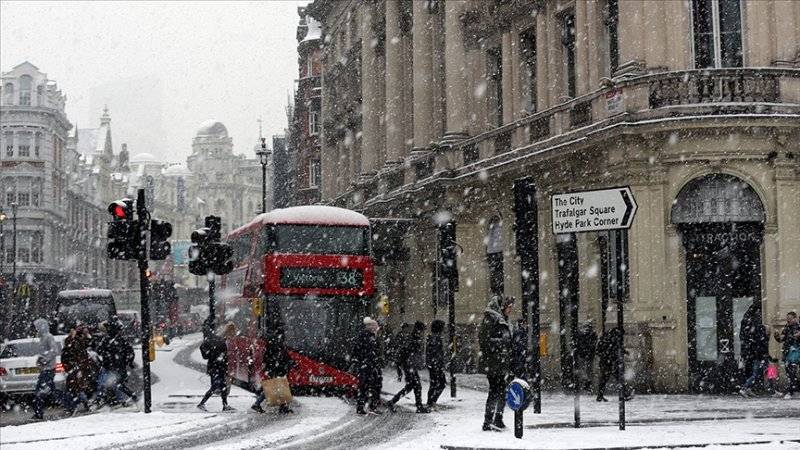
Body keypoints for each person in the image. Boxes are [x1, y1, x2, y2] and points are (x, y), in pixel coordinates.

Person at [478, 295, 514, 432]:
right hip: (493, 363)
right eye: (509, 307)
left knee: (501, 391)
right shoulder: (491, 319)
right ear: (502, 306)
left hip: (501, 362)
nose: (511, 310)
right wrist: (502, 345)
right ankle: (488, 421)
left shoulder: (503, 320)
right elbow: (484, 341)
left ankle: (497, 419)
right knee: (495, 391)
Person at [252, 317, 295, 414]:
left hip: (273, 366)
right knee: (278, 386)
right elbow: (282, 353)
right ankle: (258, 404)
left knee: (276, 386)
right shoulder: (277, 340)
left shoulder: (272, 339)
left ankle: (282, 407)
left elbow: (270, 354)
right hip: (276, 366)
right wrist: (289, 362)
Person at [32, 318, 71, 420]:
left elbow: (55, 350)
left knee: (40, 391)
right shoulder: (42, 337)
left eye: (37, 326)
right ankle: (70, 404)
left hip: (48, 369)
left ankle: (38, 413)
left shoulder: (48, 337)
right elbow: (45, 352)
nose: (36, 329)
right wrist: (40, 360)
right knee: (52, 391)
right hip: (46, 369)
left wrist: (44, 360)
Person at [388, 321, 430, 413]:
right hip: (410, 366)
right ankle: (418, 407)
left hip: (409, 366)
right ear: (420, 330)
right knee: (416, 386)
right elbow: (410, 353)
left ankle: (392, 402)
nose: (423, 332)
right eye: (422, 330)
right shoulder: (414, 338)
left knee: (411, 386)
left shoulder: (414, 337)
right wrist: (412, 364)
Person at [95, 317, 137, 407]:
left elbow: (99, 351)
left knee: (110, 384)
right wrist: (128, 361)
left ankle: (107, 400)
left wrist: (127, 361)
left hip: (112, 366)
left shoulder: (109, 340)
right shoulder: (118, 340)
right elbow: (130, 352)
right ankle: (112, 399)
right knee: (114, 384)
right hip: (115, 366)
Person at [198, 322, 235, 411]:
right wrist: (225, 367)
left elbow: (205, 356)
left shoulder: (208, 342)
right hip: (218, 367)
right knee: (217, 386)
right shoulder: (219, 342)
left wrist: (211, 354)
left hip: (213, 367)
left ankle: (224, 405)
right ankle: (202, 403)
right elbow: (224, 356)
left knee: (220, 386)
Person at [351, 316, 384, 415]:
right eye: (375, 326)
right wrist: (364, 360)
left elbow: (376, 351)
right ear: (369, 326)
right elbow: (358, 350)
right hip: (367, 365)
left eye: (376, 326)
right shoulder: (365, 336)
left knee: (374, 386)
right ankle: (364, 407)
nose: (376, 328)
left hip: (371, 365)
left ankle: (369, 406)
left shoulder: (372, 336)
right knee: (365, 386)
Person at [62, 322, 94, 413]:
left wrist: (87, 335)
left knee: (78, 388)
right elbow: (68, 352)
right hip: (74, 367)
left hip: (79, 367)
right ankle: (77, 406)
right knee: (75, 388)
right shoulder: (70, 340)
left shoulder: (79, 339)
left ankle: (76, 406)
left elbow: (89, 344)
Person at [595, 327, 631, 402]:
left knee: (605, 379)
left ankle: (600, 396)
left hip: (609, 361)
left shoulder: (608, 338)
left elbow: (616, 348)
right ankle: (625, 394)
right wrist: (607, 355)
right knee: (614, 378)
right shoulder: (611, 339)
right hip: (609, 362)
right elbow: (600, 350)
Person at [774, 311, 800, 399]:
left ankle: (791, 392)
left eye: (790, 318)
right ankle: (795, 390)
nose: (788, 319)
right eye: (787, 318)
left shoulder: (798, 326)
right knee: (789, 372)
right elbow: (781, 339)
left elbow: (797, 337)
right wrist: (776, 336)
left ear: (795, 318)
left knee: (792, 371)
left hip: (795, 351)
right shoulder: (787, 327)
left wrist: (798, 336)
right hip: (787, 351)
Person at [739, 324, 770, 397]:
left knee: (765, 374)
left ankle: (747, 388)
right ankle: (744, 388)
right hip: (760, 359)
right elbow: (761, 350)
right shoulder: (762, 338)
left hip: (761, 358)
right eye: (768, 329)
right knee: (758, 375)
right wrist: (764, 357)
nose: (769, 330)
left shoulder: (762, 338)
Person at [426, 319, 446, 409]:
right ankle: (431, 402)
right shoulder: (435, 338)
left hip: (434, 364)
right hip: (436, 365)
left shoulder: (433, 337)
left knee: (434, 383)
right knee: (440, 383)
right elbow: (435, 352)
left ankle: (431, 402)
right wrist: (438, 363)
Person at [575, 322, 598, 391]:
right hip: (587, 355)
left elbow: (579, 344)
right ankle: (587, 383)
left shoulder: (581, 335)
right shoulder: (592, 335)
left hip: (584, 355)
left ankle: (586, 382)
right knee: (588, 369)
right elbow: (593, 345)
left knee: (585, 369)